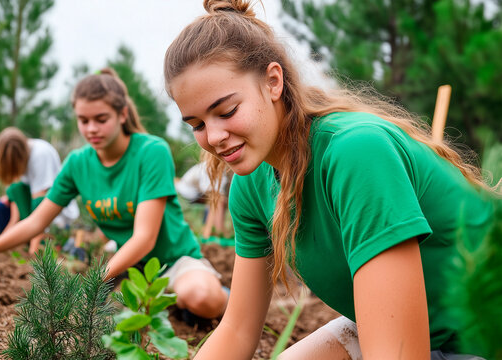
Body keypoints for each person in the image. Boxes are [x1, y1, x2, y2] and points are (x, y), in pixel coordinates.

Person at [163, 1, 499, 359]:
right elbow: (237, 330)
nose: (213, 137)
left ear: (273, 82)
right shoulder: (251, 186)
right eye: (197, 125)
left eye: (226, 111)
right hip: (425, 337)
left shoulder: (356, 154)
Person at [0, 68, 228, 321]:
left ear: (122, 114)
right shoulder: (78, 163)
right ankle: (169, 302)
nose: (91, 129)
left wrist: (95, 282)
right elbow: (36, 221)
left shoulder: (151, 152)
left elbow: (145, 239)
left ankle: (219, 297)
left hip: (173, 261)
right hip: (131, 268)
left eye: (101, 120)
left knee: (201, 297)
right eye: (83, 120)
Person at [0, 127, 80, 254]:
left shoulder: (40, 153)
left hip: (56, 216)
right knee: (0, 206)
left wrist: (33, 251)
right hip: (30, 212)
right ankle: (11, 241)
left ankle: (50, 242)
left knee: (43, 242)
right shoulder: (17, 159)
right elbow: (15, 208)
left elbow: (40, 207)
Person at [175, 152, 231, 239]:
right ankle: (211, 233)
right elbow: (214, 199)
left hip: (196, 194)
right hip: (183, 196)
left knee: (221, 200)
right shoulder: (209, 168)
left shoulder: (222, 171)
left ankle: (218, 232)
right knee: (218, 201)